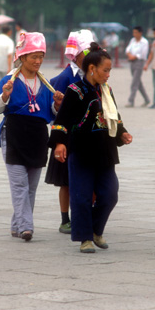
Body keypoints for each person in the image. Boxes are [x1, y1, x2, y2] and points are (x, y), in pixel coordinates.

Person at [49, 42, 133, 253]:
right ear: (92, 68)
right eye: (106, 70)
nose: (108, 75)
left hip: (105, 151)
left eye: (110, 70)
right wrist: (59, 142)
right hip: (81, 151)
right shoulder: (74, 90)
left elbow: (113, 116)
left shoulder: (107, 90)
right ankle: (85, 237)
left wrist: (122, 132)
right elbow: (62, 120)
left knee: (110, 194)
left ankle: (96, 229)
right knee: (82, 196)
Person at [0, 32, 64, 242]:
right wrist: (5, 95)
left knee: (31, 187)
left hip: (38, 137)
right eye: (33, 57)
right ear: (22, 57)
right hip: (14, 136)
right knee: (19, 185)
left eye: (41, 56)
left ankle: (16, 224)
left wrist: (57, 104)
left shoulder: (46, 85)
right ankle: (26, 227)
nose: (38, 61)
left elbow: (51, 115)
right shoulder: (8, 81)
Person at [45, 29, 93, 234]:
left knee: (90, 180)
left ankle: (86, 215)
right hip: (67, 136)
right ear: (77, 54)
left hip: (89, 136)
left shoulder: (93, 75)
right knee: (65, 182)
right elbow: (53, 111)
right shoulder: (63, 78)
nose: (91, 56)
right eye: (87, 52)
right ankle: (65, 218)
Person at [125, 26, 150, 108]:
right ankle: (147, 99)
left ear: (140, 33)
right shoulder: (132, 40)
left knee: (134, 82)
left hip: (139, 62)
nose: (134, 34)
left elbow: (143, 53)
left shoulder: (144, 42)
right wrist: (130, 55)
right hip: (132, 62)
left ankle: (131, 100)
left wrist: (134, 57)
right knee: (138, 82)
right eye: (133, 32)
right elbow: (128, 49)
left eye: (136, 32)